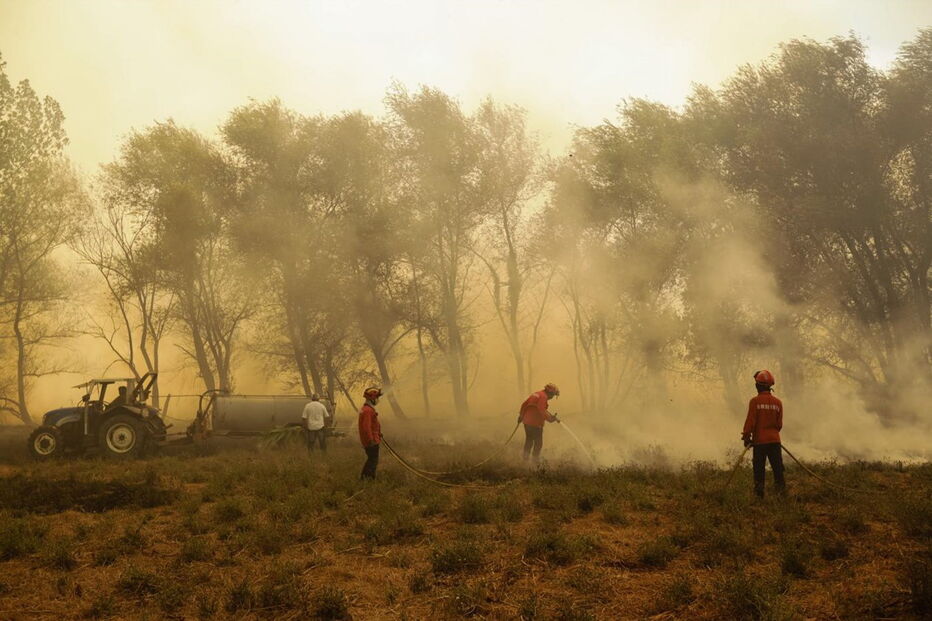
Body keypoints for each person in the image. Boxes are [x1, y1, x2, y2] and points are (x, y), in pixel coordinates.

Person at [741, 369, 786, 498]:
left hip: (760, 442)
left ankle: (759, 496)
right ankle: (782, 494)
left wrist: (746, 437)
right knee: (778, 469)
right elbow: (779, 425)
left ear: (758, 386)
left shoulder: (754, 401)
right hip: (775, 441)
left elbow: (750, 422)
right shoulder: (778, 403)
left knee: (759, 470)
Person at [517, 383, 560, 465]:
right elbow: (541, 410)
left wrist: (521, 416)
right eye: (553, 395)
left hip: (526, 422)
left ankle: (524, 460)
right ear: (550, 392)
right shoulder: (543, 397)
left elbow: (524, 404)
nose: (552, 397)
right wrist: (550, 419)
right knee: (538, 443)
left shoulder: (536, 394)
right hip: (535, 423)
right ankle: (535, 462)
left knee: (529, 440)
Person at [358, 387, 383, 479]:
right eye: (377, 398)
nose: (377, 400)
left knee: (372, 460)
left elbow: (372, 425)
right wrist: (371, 440)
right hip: (371, 441)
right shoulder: (368, 411)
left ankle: (366, 478)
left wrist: (378, 433)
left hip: (373, 438)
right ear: (372, 398)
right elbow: (366, 427)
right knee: (373, 460)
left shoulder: (367, 409)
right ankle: (367, 479)